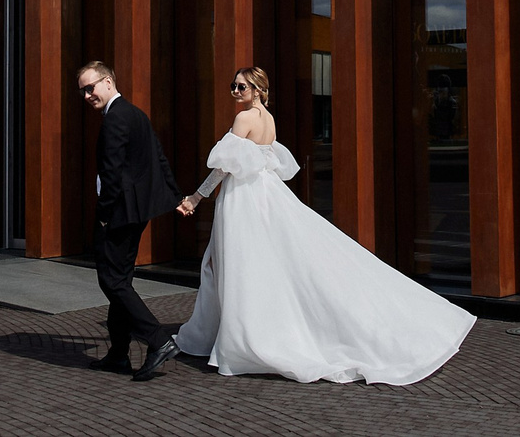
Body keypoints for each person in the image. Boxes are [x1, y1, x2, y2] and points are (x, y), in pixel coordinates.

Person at [172, 66, 473, 385]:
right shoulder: (268, 120)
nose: (235, 91)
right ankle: (252, 328)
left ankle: (250, 334)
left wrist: (195, 197)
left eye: (242, 87)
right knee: (267, 262)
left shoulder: (245, 118)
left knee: (243, 264)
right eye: (233, 85)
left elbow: (222, 167)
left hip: (244, 198)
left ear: (258, 90)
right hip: (267, 192)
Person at [81, 59, 183, 381]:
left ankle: (158, 340)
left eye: (90, 87)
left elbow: (111, 175)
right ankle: (118, 354)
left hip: (121, 213)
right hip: (135, 211)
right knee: (119, 280)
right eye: (82, 90)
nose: (86, 95)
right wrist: (176, 196)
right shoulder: (136, 114)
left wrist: (102, 216)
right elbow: (159, 156)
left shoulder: (115, 119)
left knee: (111, 281)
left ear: (108, 81)